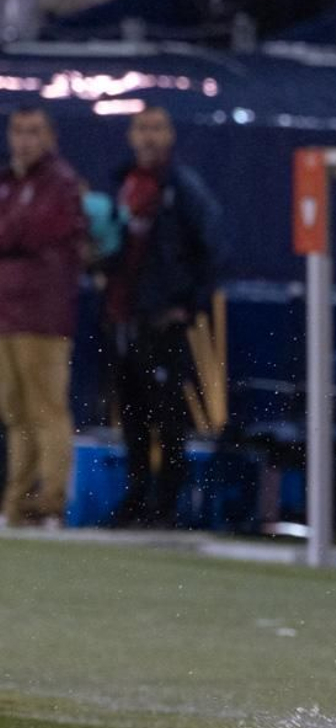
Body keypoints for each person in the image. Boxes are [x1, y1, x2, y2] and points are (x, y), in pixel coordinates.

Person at [106, 107, 225, 528]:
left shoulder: (183, 188)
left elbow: (213, 248)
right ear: (130, 135)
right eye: (142, 128)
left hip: (163, 321)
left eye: (156, 128)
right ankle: (136, 497)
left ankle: (166, 505)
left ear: (170, 135)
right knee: (132, 415)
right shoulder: (122, 183)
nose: (149, 137)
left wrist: (187, 306)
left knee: (169, 416)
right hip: (123, 318)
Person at [0, 106, 86, 528]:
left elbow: (27, 232)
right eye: (18, 131)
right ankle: (16, 506)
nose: (24, 140)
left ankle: (51, 503)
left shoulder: (61, 183)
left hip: (43, 318)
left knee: (47, 411)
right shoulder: (7, 182)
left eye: (33, 132)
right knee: (15, 413)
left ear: (50, 137)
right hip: (6, 315)